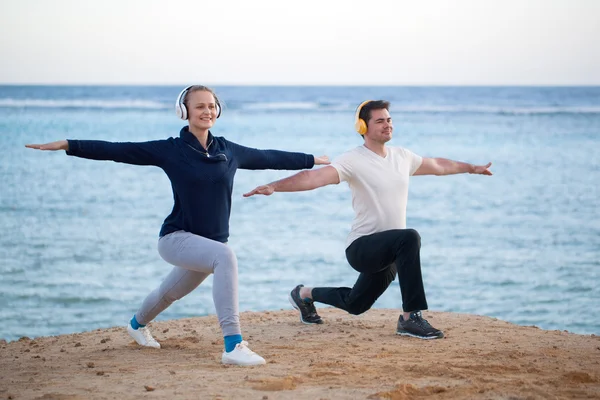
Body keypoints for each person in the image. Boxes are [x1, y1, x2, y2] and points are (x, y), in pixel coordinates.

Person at [25, 85, 330, 366]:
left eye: (212, 106)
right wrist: (69, 144)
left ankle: (136, 326)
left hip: (207, 244)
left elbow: (268, 156)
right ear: (184, 111)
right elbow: (118, 150)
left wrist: (312, 159)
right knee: (226, 257)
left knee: (169, 293)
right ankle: (233, 346)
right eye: (200, 106)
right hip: (177, 238)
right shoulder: (171, 150)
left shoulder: (228, 150)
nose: (207, 111)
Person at [244, 99, 492, 339]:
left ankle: (304, 294)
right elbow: (312, 178)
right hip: (362, 247)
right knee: (410, 237)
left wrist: (472, 167)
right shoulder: (353, 160)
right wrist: (275, 186)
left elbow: (438, 165)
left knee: (356, 304)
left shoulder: (402, 157)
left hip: (391, 253)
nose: (388, 125)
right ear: (363, 127)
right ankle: (410, 318)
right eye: (380, 121)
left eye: (389, 120)